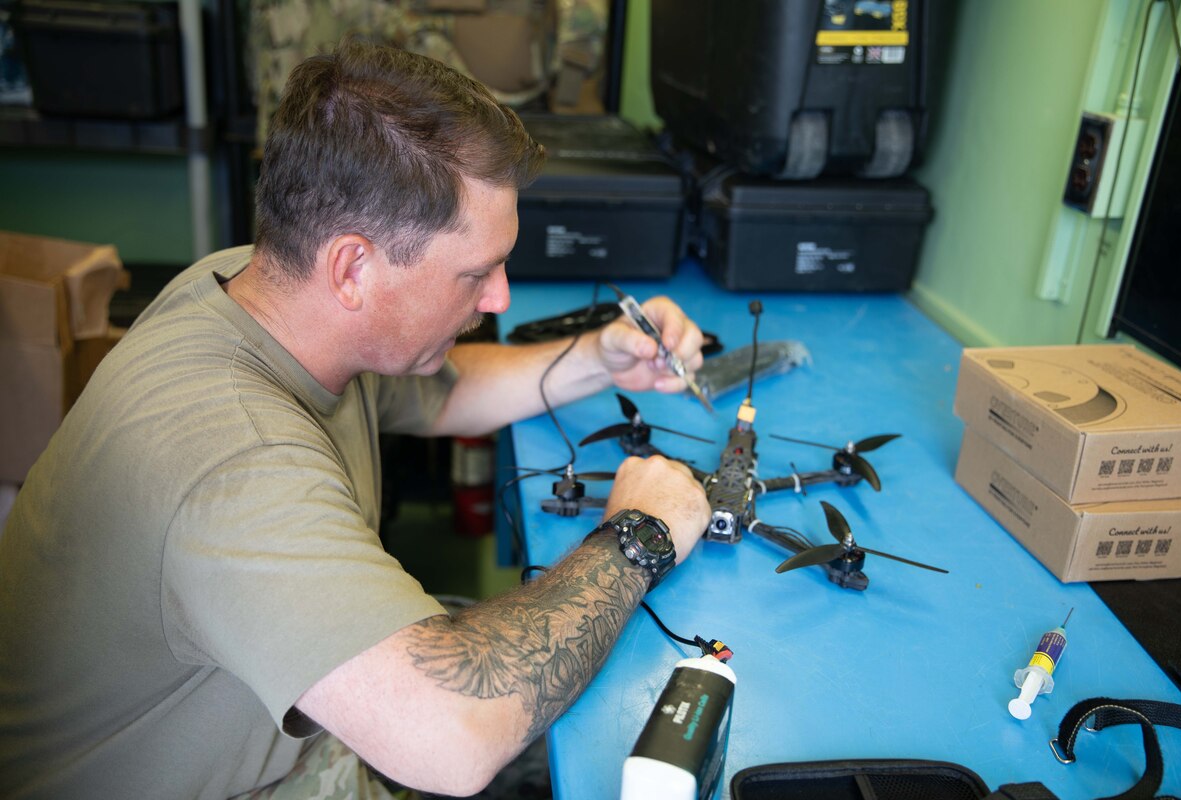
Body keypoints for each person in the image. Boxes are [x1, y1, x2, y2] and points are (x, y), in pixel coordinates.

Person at [0, 38, 711, 800]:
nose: (500, 298)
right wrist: (639, 533)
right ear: (353, 268)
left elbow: (437, 392)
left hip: (259, 716)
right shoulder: (231, 462)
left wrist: (598, 358)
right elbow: (452, 740)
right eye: (475, 273)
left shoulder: (262, 287)